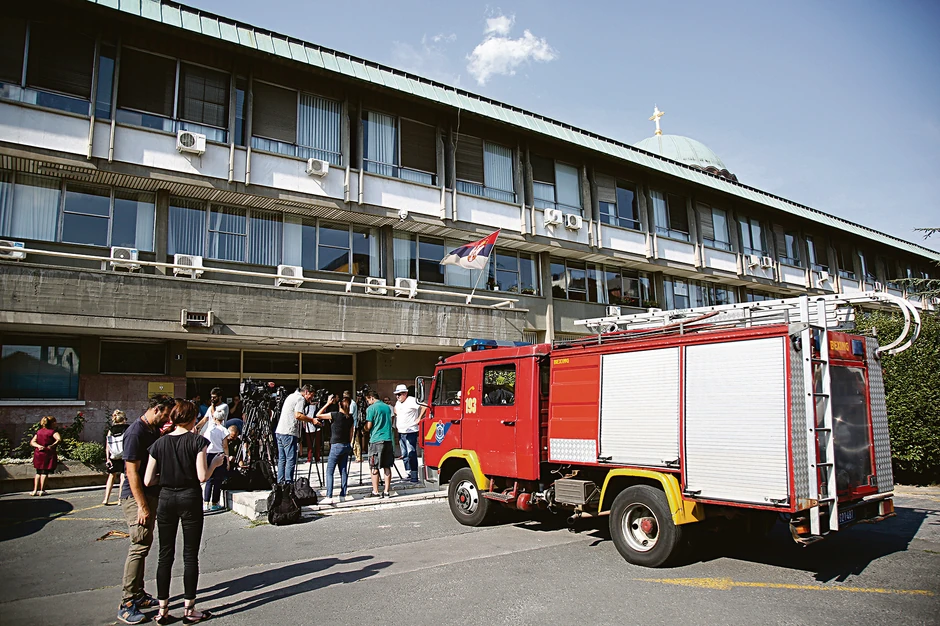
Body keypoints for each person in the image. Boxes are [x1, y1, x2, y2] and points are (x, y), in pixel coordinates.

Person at [144, 399, 224, 625]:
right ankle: (190, 609)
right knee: (190, 555)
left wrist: (167, 477)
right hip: (189, 496)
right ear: (192, 419)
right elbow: (202, 476)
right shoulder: (198, 441)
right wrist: (215, 464)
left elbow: (148, 479)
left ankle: (163, 609)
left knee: (164, 555)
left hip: (166, 497)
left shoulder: (159, 444)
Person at [116, 394, 175, 625]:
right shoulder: (135, 432)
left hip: (150, 495)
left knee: (145, 543)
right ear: (157, 409)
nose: (169, 419)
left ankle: (138, 594)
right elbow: (131, 472)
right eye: (167, 415)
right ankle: (127, 602)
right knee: (139, 545)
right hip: (135, 497)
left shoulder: (152, 430)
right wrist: (141, 506)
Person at [274, 385, 318, 484]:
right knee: (290, 459)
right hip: (289, 432)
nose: (311, 398)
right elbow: (298, 415)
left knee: (282, 459)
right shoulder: (300, 399)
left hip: (280, 431)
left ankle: (280, 482)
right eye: (311, 395)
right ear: (306, 392)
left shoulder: (291, 396)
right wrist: (311, 420)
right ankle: (289, 483)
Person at [316, 394, 355, 504]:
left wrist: (327, 403)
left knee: (330, 471)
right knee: (343, 470)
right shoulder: (350, 417)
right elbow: (351, 433)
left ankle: (329, 495)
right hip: (346, 445)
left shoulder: (335, 415)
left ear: (339, 405)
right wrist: (350, 444)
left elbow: (318, 415)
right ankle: (343, 493)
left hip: (336, 445)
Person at [393, 384, 425, 483]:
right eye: (396, 394)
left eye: (400, 394)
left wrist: (419, 418)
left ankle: (414, 475)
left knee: (411, 453)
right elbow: (395, 410)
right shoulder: (398, 403)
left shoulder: (411, 400)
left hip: (410, 431)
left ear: (405, 393)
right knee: (404, 454)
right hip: (401, 431)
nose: (398, 396)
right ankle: (408, 473)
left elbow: (424, 405)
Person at [365, 390, 394, 498]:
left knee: (374, 466)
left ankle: (375, 491)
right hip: (388, 439)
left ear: (371, 398)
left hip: (376, 440)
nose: (368, 402)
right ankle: (386, 491)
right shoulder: (386, 407)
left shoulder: (371, 409)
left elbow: (368, 426)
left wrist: (364, 429)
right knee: (387, 466)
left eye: (368, 400)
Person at [202, 411, 229, 512]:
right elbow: (225, 446)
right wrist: (227, 459)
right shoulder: (223, 430)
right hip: (219, 454)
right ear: (223, 419)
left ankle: (206, 502)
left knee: (209, 479)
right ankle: (215, 503)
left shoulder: (209, 429)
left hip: (209, 454)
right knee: (218, 480)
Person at [30, 416, 61, 496]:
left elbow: (32, 442)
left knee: (38, 472)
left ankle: (34, 490)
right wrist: (53, 445)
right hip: (48, 453)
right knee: (45, 472)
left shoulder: (39, 431)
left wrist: (38, 446)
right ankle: (42, 490)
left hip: (39, 453)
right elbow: (59, 439)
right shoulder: (52, 432)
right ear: (52, 423)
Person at [103, 410, 129, 505]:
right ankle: (119, 499)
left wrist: (108, 458)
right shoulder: (127, 428)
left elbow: (107, 445)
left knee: (111, 476)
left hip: (113, 455)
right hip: (123, 455)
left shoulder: (111, 429)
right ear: (124, 419)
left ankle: (106, 499)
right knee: (122, 477)